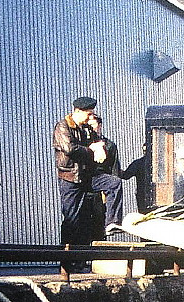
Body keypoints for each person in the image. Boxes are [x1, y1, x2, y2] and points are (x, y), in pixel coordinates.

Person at [52, 96, 123, 247]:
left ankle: (112, 223)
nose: (91, 117)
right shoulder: (63, 126)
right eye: (88, 114)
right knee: (72, 219)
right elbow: (70, 148)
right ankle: (68, 260)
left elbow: (97, 142)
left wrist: (100, 147)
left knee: (114, 183)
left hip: (87, 176)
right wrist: (92, 150)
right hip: (70, 178)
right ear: (78, 111)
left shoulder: (86, 129)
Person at [120, 143, 153, 214]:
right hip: (153, 195)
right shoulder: (160, 163)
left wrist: (114, 169)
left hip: (142, 195)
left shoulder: (138, 163)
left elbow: (125, 175)